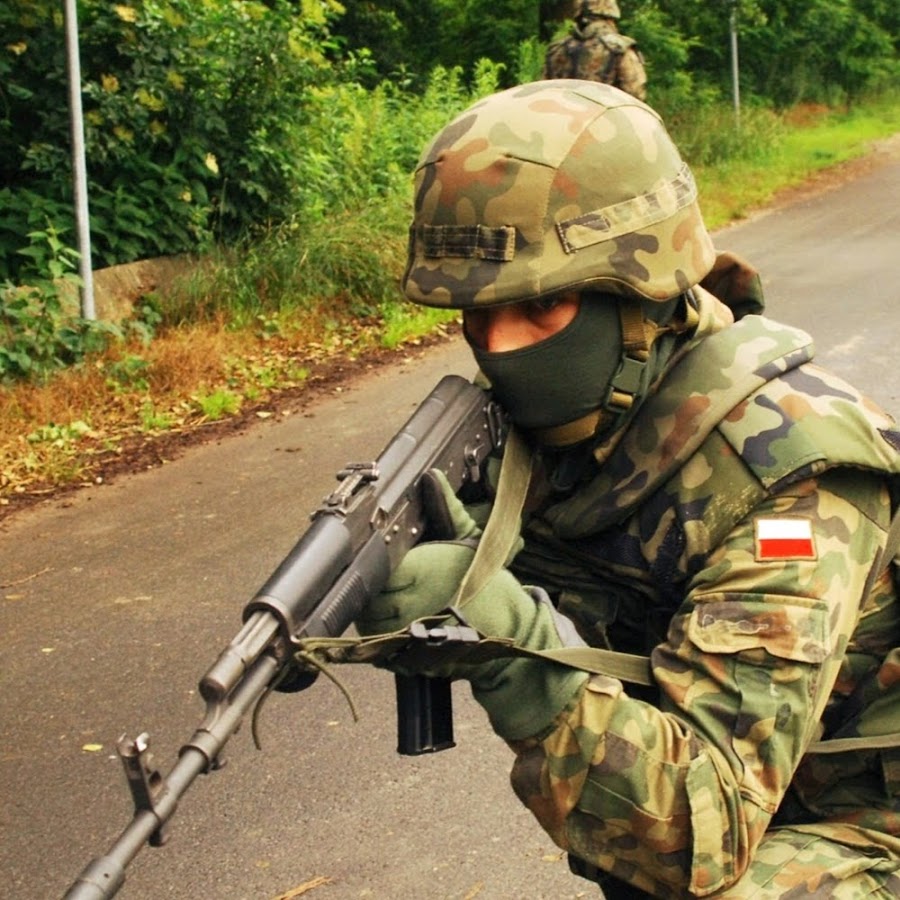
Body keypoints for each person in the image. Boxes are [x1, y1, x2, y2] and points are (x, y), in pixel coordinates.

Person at [344, 80, 900, 897]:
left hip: (865, 826)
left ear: (641, 295)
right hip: (766, 795)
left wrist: (510, 647)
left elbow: (698, 836)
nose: (497, 348)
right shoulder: (591, 416)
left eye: (542, 305)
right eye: (474, 312)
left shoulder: (797, 492)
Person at [542, 0, 647, 100]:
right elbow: (635, 95)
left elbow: (543, 92)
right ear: (610, 16)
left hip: (562, 117)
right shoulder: (619, 48)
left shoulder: (556, 49)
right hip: (605, 118)